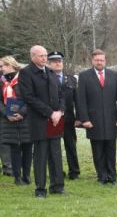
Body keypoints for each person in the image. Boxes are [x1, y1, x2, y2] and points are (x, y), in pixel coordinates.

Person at [18, 45, 65, 198]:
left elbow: (61, 94)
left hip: (55, 121)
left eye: (45, 55)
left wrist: (60, 111)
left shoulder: (50, 72)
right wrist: (50, 113)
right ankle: (40, 189)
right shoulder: (26, 73)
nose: (44, 58)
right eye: (41, 56)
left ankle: (57, 186)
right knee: (41, 155)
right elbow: (29, 98)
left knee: (56, 154)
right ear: (32, 57)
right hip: (39, 121)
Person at [76, 49, 117, 185]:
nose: (99, 62)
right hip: (93, 121)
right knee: (98, 150)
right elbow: (81, 100)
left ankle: (112, 177)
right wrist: (85, 119)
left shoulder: (114, 75)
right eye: (97, 60)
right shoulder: (84, 76)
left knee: (111, 149)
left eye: (102, 60)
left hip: (111, 120)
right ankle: (102, 176)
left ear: (105, 61)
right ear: (92, 61)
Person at [47, 51, 80, 180]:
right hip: (52, 119)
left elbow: (77, 100)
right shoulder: (46, 78)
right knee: (54, 148)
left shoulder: (71, 79)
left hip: (69, 119)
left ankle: (74, 171)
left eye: (59, 61)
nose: (57, 63)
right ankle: (57, 172)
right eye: (54, 61)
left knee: (71, 145)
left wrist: (79, 117)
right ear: (49, 64)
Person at [0, 56, 32, 186]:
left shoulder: (24, 79)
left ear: (10, 65)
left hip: (25, 118)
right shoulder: (1, 81)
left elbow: (30, 98)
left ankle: (26, 175)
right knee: (14, 148)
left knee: (27, 147)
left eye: (2, 66)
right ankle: (17, 177)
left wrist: (22, 113)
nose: (1, 69)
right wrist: (6, 114)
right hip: (8, 120)